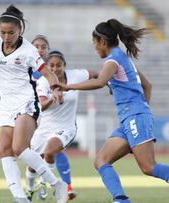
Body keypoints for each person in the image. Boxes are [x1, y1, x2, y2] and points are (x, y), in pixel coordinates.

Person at [56, 19, 169, 203]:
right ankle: (121, 199)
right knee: (101, 160)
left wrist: (67, 86)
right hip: (130, 119)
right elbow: (147, 86)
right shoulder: (123, 58)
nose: (95, 48)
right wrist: (140, 109)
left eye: (95, 44)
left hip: (135, 117)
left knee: (149, 167)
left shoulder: (113, 60)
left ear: (102, 42)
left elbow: (99, 82)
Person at [0, 5, 68, 203]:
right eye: (3, 32)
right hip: (5, 105)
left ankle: (56, 184)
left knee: (20, 148)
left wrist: (56, 88)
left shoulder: (29, 51)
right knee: (5, 151)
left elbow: (47, 73)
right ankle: (20, 197)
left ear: (20, 31)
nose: (6, 37)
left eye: (11, 33)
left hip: (27, 102)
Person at [25, 48, 99, 201]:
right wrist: (54, 97)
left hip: (66, 128)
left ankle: (46, 186)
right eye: (51, 66)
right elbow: (42, 105)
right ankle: (30, 190)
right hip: (44, 128)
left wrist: (110, 84)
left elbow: (96, 74)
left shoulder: (75, 75)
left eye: (58, 65)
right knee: (33, 164)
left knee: (50, 151)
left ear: (64, 65)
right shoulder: (43, 81)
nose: (55, 69)